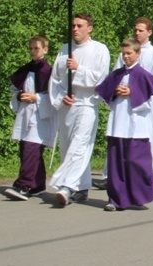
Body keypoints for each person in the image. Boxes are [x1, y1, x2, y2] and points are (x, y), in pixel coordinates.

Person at [49, 13, 110, 207]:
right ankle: (82, 187)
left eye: (79, 26)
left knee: (79, 145)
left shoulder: (100, 49)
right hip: (67, 104)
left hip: (86, 103)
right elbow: (55, 78)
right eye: (73, 26)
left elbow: (102, 78)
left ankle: (67, 187)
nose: (75, 29)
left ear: (89, 28)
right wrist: (61, 97)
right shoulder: (65, 49)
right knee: (67, 147)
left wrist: (79, 68)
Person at [95, 38, 153, 211]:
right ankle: (115, 199)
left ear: (138, 54)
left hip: (137, 126)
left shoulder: (145, 76)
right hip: (118, 123)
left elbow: (151, 103)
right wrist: (115, 93)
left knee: (136, 162)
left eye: (129, 53)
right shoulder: (117, 74)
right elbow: (105, 97)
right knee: (116, 164)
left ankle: (138, 196)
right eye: (123, 54)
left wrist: (133, 93)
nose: (125, 57)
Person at [4, 35, 57, 201]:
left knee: (31, 150)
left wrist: (37, 98)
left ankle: (24, 185)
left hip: (40, 116)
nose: (33, 51)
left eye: (37, 48)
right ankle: (38, 185)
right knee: (26, 149)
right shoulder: (26, 69)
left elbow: (54, 96)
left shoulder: (48, 71)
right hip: (25, 114)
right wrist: (19, 97)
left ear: (45, 50)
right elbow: (14, 90)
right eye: (31, 48)